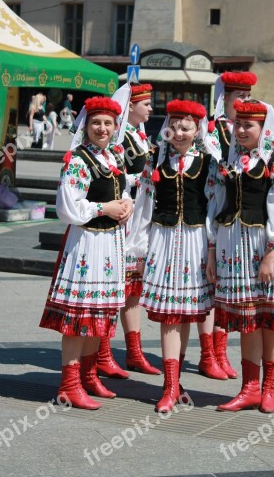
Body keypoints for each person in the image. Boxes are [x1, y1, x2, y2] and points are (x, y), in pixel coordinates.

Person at [206, 99, 274, 413]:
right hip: (235, 247)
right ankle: (249, 389)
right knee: (248, 320)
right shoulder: (229, 162)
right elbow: (218, 206)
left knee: (271, 320)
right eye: (239, 124)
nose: (242, 130)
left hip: (266, 249)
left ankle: (268, 389)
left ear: (264, 128)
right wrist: (212, 250)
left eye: (249, 125)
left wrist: (270, 255)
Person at [39, 96, 133, 410]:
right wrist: (103, 208)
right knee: (79, 318)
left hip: (110, 245)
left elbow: (123, 190)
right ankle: (68, 384)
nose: (102, 128)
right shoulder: (78, 160)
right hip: (87, 245)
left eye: (108, 123)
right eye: (96, 123)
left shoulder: (115, 156)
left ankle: (89, 376)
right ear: (86, 125)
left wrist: (127, 203)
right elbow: (67, 207)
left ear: (116, 126)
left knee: (100, 317)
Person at [126, 99, 220, 412]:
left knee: (185, 315)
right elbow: (144, 206)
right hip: (164, 242)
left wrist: (211, 249)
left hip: (194, 243)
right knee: (169, 316)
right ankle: (169, 387)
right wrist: (139, 248)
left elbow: (213, 209)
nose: (179, 132)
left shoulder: (209, 164)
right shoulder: (155, 161)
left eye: (186, 127)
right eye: (174, 126)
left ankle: (176, 380)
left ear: (197, 130)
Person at [194, 72, 258, 382]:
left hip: (237, 219)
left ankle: (221, 351)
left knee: (227, 288)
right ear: (226, 98)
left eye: (248, 96)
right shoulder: (213, 131)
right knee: (210, 286)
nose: (244, 101)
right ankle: (208, 354)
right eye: (239, 96)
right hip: (211, 212)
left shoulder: (247, 131)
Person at [96, 83, 161, 378]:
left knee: (133, 287)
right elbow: (118, 177)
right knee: (115, 286)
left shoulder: (140, 138)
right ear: (130, 106)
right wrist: (144, 177)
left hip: (139, 216)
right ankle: (103, 352)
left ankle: (134, 352)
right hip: (123, 216)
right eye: (145, 104)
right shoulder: (121, 141)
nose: (150, 109)